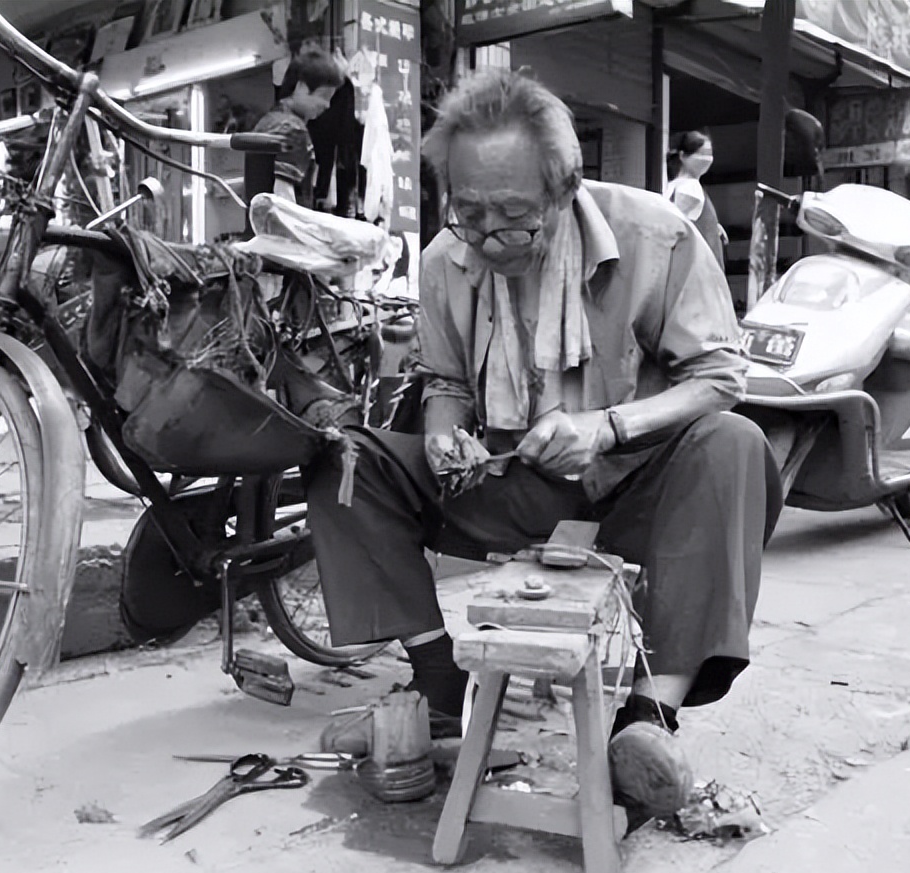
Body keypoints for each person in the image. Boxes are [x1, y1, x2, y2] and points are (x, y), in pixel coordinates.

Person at [305, 70, 782, 821]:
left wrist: (608, 426)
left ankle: (647, 724)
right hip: (509, 482)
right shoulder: (442, 262)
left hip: (634, 488)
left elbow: (720, 376)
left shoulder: (654, 236)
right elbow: (445, 380)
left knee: (735, 443)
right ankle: (436, 686)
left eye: (515, 216)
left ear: (564, 190)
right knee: (345, 459)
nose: (490, 239)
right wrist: (439, 437)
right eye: (470, 213)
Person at [252, 46, 343, 208]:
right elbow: (284, 200)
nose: (327, 105)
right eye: (323, 96)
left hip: (258, 227)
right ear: (300, 86)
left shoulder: (266, 122)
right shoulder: (294, 130)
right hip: (280, 230)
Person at [667, 130, 727, 269]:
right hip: (699, 267)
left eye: (709, 154)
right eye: (701, 154)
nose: (707, 159)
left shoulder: (672, 185)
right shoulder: (690, 187)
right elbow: (680, 227)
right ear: (683, 156)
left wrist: (712, 225)